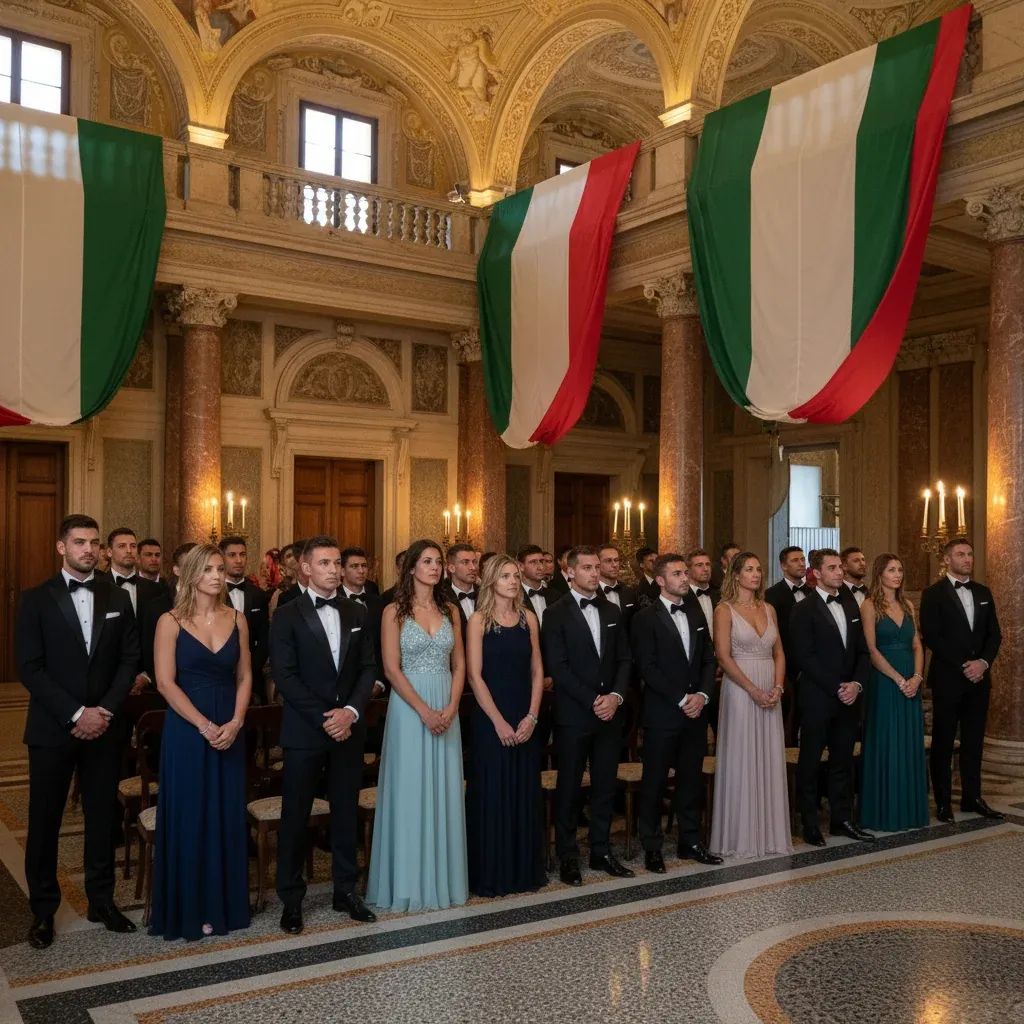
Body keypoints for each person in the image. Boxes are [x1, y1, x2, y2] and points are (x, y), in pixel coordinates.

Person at [17, 514, 140, 949]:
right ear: (61, 547)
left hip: (105, 727)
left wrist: (103, 710)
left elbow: (129, 660)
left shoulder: (117, 597)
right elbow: (29, 667)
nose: (89, 549)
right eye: (79, 542)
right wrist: (75, 713)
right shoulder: (35, 599)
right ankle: (43, 912)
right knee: (45, 820)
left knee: (102, 817)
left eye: (93, 543)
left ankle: (102, 901)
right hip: (52, 728)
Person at [270, 536, 379, 933]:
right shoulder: (287, 614)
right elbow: (285, 675)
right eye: (326, 563)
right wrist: (324, 717)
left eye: (337, 563)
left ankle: (345, 890)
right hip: (305, 729)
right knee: (296, 814)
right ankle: (292, 899)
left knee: (345, 811)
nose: (334, 570)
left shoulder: (358, 610)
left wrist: (349, 711)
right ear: (306, 568)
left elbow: (369, 667)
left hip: (348, 728)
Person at [149, 544, 251, 941]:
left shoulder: (238, 619)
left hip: (230, 725)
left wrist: (236, 721)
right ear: (190, 574)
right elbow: (164, 682)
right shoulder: (169, 621)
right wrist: (204, 726)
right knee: (190, 814)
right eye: (208, 569)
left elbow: (245, 676)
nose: (217, 575)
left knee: (225, 814)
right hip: (187, 731)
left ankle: (223, 906)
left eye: (220, 568)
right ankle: (188, 907)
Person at [367, 540, 468, 911]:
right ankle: (408, 882)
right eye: (427, 561)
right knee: (410, 790)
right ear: (410, 568)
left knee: (444, 789)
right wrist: (424, 710)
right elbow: (391, 669)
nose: (435, 567)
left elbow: (460, 664)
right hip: (410, 707)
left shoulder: (451, 611)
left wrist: (452, 705)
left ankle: (443, 880)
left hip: (447, 703)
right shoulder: (393, 611)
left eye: (438, 562)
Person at [541, 546, 633, 885]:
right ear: (570, 572)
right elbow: (558, 668)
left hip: (611, 713)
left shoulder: (612, 609)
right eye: (588, 568)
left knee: (605, 786)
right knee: (569, 788)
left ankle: (601, 850)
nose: (595, 573)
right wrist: (594, 699)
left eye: (597, 567)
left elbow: (625, 659)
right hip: (574, 714)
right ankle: (568, 856)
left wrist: (616, 697)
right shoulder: (555, 612)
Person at [632, 553, 719, 871]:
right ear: (660, 581)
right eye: (678, 573)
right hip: (663, 714)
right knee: (654, 782)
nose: (685, 578)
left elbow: (709, 658)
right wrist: (683, 698)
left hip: (696, 712)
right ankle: (652, 846)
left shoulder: (695, 612)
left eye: (686, 572)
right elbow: (648, 668)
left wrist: (704, 695)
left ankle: (690, 841)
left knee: (691, 780)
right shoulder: (645, 617)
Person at [464, 555, 545, 896]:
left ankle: (524, 872)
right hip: (490, 718)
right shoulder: (478, 621)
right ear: (491, 582)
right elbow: (474, 675)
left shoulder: (529, 617)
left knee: (523, 793)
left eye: (515, 576)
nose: (513, 581)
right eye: (505, 576)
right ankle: (491, 874)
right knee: (493, 793)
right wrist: (498, 721)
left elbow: (538, 671)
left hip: (525, 714)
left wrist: (532, 717)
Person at [710, 553, 791, 859]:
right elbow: (723, 656)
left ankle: (769, 834)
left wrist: (777, 687)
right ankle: (740, 835)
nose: (756, 574)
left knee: (769, 756)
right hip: (741, 689)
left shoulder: (768, 608)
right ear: (735, 574)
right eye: (749, 569)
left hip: (771, 689)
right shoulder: (724, 610)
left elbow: (780, 652)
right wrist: (753, 689)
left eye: (759, 569)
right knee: (742, 756)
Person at [790, 549, 873, 847]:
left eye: (840, 567)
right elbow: (804, 656)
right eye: (833, 568)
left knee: (843, 761)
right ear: (817, 573)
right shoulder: (803, 608)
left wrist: (857, 685)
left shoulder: (851, 604)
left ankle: (842, 819)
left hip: (850, 697)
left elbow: (864, 651)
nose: (840, 572)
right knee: (811, 762)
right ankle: (810, 823)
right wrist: (838, 685)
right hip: (818, 697)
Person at [920, 537, 1003, 822]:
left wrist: (982, 663)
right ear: (947, 559)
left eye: (970, 554)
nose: (967, 559)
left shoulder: (983, 592)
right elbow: (932, 636)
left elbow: (995, 635)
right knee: (943, 741)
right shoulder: (933, 593)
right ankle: (943, 802)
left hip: (979, 679)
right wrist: (963, 665)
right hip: (948, 679)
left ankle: (972, 797)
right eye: (960, 554)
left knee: (973, 740)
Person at [859, 554, 928, 832]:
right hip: (886, 682)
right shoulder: (869, 605)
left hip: (911, 682)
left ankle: (910, 811)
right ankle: (885, 812)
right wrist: (900, 680)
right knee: (886, 742)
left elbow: (918, 646)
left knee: (909, 743)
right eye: (891, 570)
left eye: (900, 569)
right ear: (879, 575)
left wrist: (917, 678)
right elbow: (871, 650)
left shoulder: (908, 604)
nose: (897, 575)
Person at [765, 545, 809, 744]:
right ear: (783, 566)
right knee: (787, 723)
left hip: (811, 668)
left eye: (802, 559)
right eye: (795, 560)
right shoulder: (772, 595)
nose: (801, 563)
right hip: (785, 668)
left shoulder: (814, 592)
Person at [220, 536, 269, 701]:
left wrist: (250, 668)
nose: (239, 560)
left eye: (242, 554)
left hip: (253, 677)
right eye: (232, 555)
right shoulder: (212, 593)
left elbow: (264, 637)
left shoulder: (258, 595)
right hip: (220, 676)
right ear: (221, 558)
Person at [596, 544, 639, 633]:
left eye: (616, 560)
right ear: (597, 564)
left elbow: (637, 625)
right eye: (608, 561)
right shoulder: (591, 593)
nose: (614, 565)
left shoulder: (629, 592)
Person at [444, 543, 479, 635]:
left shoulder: (486, 593)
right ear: (451, 568)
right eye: (465, 562)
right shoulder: (441, 597)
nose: (473, 567)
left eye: (474, 562)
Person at [517, 544, 549, 626]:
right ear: (521, 566)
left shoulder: (556, 596)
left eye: (542, 561)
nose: (540, 567)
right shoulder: (514, 596)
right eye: (533, 562)